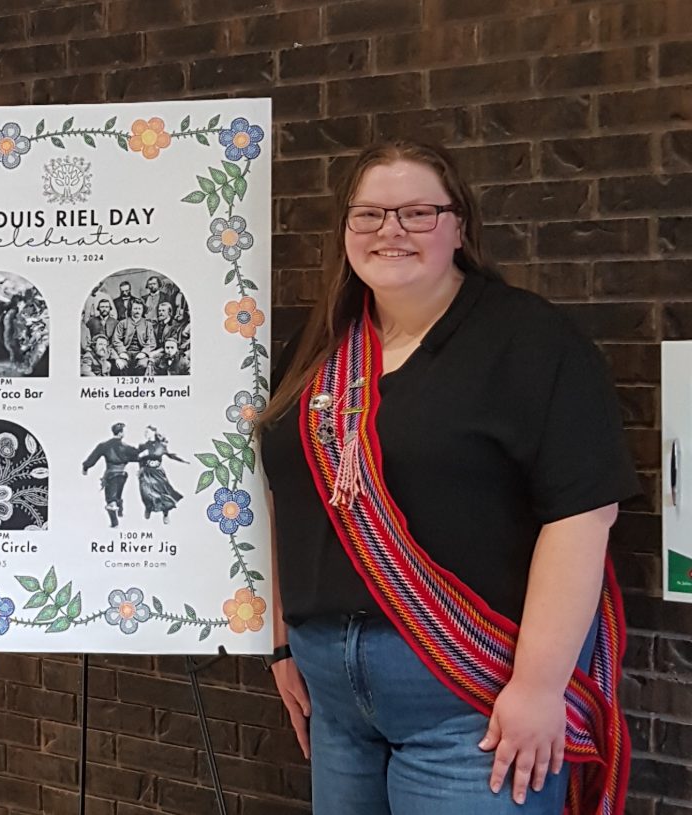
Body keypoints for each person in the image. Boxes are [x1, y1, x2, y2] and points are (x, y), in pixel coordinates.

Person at [258, 141, 638, 815]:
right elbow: (286, 497)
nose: (390, 231)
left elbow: (581, 516)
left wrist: (539, 688)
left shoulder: (530, 342)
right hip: (336, 705)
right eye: (369, 214)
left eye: (417, 212)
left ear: (460, 225)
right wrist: (283, 639)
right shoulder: (320, 346)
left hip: (474, 701)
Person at [81, 423, 138, 527]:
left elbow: (92, 459)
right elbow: (138, 457)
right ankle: (120, 511)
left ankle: (114, 523)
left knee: (111, 500)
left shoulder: (104, 445)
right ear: (121, 433)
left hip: (111, 475)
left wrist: (85, 467)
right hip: (122, 475)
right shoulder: (127, 448)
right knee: (117, 494)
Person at [135, 425, 187, 524]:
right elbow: (139, 459)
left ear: (154, 432)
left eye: (148, 432)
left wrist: (183, 460)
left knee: (163, 493)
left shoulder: (161, 445)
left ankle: (166, 513)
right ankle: (148, 508)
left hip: (158, 472)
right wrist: (140, 467)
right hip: (146, 473)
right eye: (145, 432)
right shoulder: (142, 446)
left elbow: (170, 455)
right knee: (146, 493)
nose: (146, 434)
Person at [111, 299, 157, 375]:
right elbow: (116, 339)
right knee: (122, 365)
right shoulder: (122, 323)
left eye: (139, 309)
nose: (137, 311)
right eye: (135, 308)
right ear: (130, 309)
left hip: (141, 352)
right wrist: (122, 352)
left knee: (143, 365)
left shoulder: (148, 324)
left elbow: (151, 341)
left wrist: (144, 352)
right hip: (126, 352)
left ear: (143, 310)